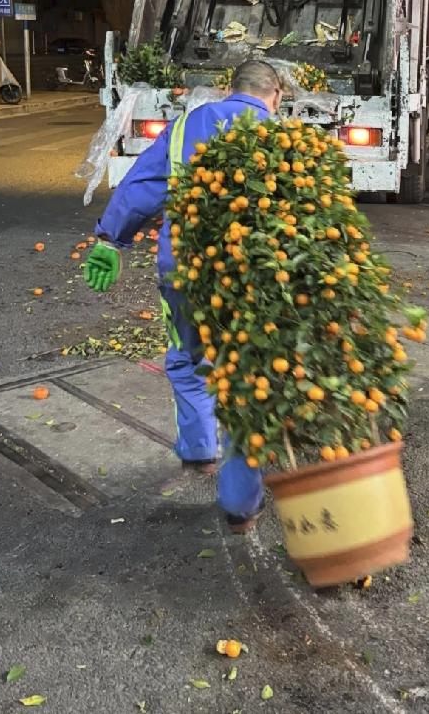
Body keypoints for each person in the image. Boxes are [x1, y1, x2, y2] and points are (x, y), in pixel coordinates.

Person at [83, 59, 284, 532]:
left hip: (185, 269)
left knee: (189, 358)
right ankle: (239, 507)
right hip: (249, 278)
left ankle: (199, 454)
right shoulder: (279, 136)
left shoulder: (185, 126)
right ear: (274, 94)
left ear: (227, 88)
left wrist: (111, 239)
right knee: (245, 380)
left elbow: (144, 185)